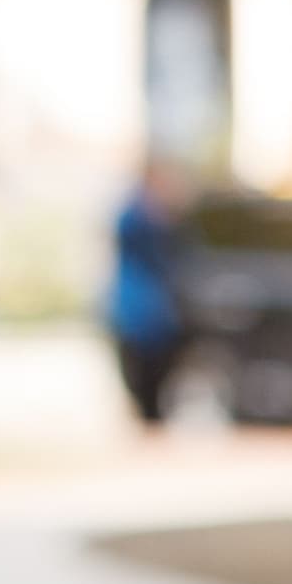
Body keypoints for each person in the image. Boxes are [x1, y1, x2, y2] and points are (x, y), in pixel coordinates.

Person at [108, 161, 194, 426]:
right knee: (142, 389)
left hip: (158, 317)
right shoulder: (137, 217)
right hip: (138, 315)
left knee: (156, 392)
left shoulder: (159, 219)